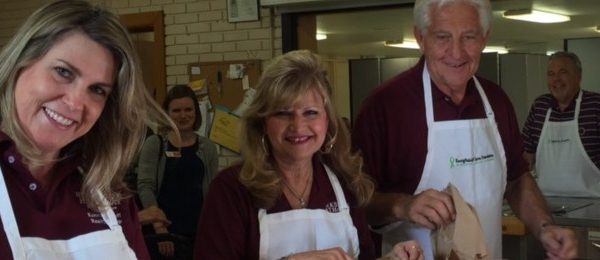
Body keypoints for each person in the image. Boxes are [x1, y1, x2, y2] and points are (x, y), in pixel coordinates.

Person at [352, 0, 578, 259]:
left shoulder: (496, 100)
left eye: (468, 37)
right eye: (443, 37)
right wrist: (403, 205)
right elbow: (356, 202)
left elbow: (516, 180)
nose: (457, 52)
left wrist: (544, 227)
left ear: (484, 38)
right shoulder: (385, 106)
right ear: (420, 38)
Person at [194, 50, 423, 260]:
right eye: (283, 113)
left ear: (327, 121)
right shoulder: (232, 189)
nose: (298, 126)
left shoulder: (344, 183)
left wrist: (391, 258)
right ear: (262, 122)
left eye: (311, 113)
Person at [0, 0, 176, 259]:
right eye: (63, 72)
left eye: (97, 90)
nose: (75, 103)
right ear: (19, 63)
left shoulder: (107, 193)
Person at [137, 84, 218, 259]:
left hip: (199, 233)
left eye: (188, 109)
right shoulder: (155, 144)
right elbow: (145, 187)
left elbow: (212, 192)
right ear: (167, 113)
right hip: (164, 235)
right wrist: (160, 228)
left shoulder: (208, 148)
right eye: (176, 110)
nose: (183, 115)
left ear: (196, 112)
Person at [522, 51, 600, 197]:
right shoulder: (540, 106)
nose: (556, 79)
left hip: (594, 202)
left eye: (563, 72)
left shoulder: (595, 105)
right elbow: (526, 156)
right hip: (545, 202)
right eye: (551, 74)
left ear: (579, 75)